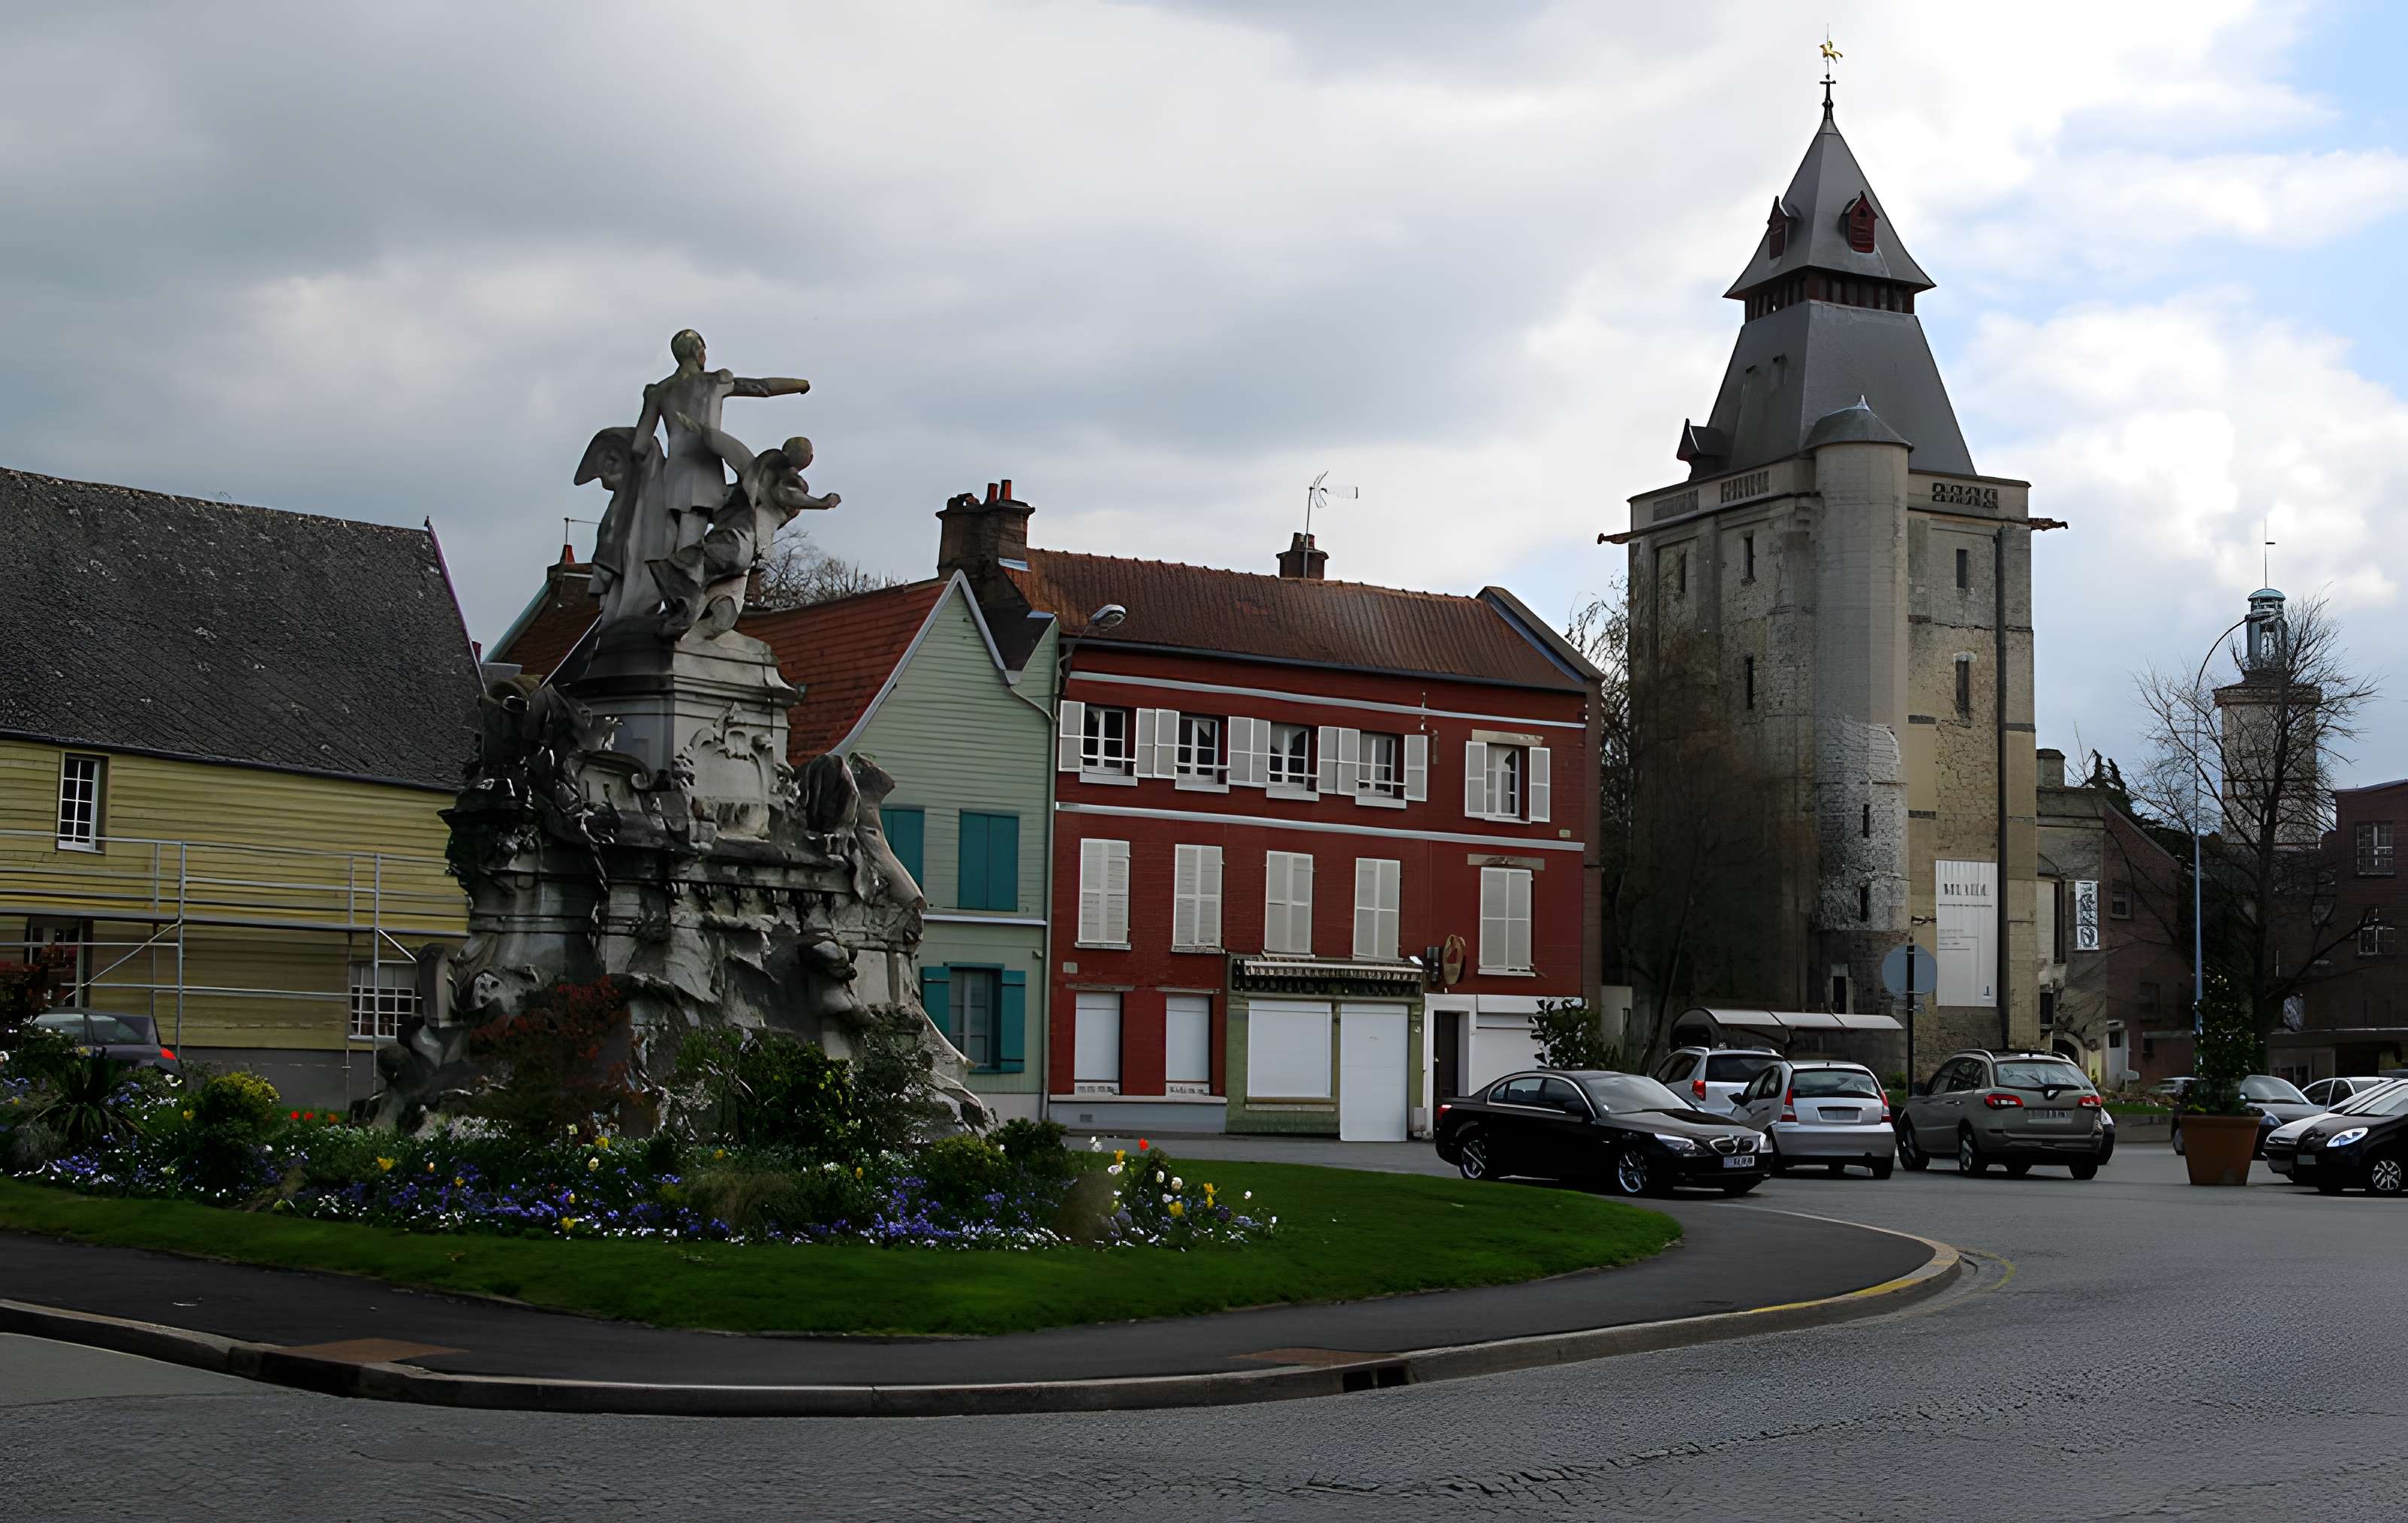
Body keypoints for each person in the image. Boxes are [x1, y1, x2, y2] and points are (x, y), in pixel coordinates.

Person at [646, 414, 838, 639]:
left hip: (736, 542)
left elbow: (784, 494)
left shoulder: (772, 479)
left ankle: (689, 606)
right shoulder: (768, 482)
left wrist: (821, 503)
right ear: (810, 459)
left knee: (681, 566)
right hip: (745, 555)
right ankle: (687, 624)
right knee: (724, 614)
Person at [631, 330, 810, 549]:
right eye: (703, 349)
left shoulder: (657, 392)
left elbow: (639, 447)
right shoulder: (713, 382)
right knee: (688, 553)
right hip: (702, 478)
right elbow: (762, 387)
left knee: (668, 551)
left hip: (669, 479)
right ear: (696, 351)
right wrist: (801, 384)